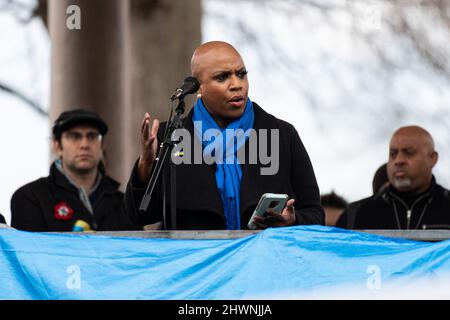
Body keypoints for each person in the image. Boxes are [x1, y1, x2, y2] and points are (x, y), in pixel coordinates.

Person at [125, 41, 324, 230]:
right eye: (222, 77)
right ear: (197, 87)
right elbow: (138, 216)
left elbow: (315, 214)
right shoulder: (171, 136)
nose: (237, 84)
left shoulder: (281, 135)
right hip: (198, 263)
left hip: (261, 262)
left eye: (241, 74)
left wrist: (293, 219)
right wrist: (146, 164)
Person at [11, 109, 137, 232]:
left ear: (102, 145)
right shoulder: (30, 198)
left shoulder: (124, 204)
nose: (84, 144)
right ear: (58, 146)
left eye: (92, 136)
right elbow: (27, 251)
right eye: (74, 136)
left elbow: (138, 252)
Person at [340, 125, 450, 230]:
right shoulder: (355, 215)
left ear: (432, 158)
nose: (399, 160)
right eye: (393, 154)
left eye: (409, 153)